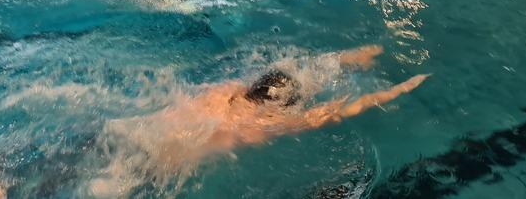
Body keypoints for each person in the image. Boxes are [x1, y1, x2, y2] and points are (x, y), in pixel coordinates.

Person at [86, 45, 428, 198]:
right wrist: (400, 89)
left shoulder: (222, 94)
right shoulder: (262, 126)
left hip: (122, 134)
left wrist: (349, 57)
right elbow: (344, 111)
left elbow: (289, 66)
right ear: (279, 109)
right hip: (146, 173)